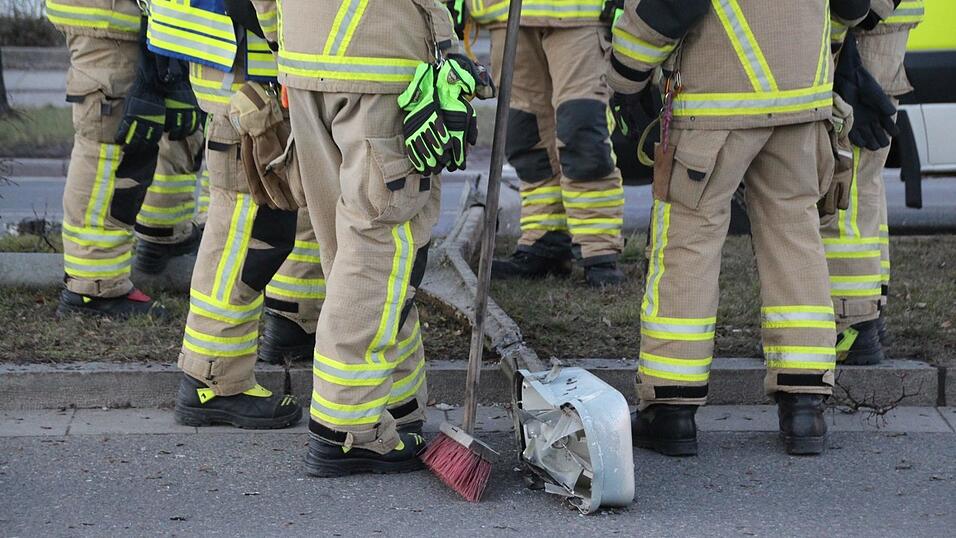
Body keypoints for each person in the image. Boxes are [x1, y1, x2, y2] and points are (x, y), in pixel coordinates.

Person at [608, 0, 873, 456]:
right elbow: (853, 7)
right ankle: (805, 406)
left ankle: (671, 409)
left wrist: (624, 77)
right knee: (796, 235)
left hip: (714, 106)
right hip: (802, 103)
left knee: (689, 241)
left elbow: (666, 10)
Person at [274, 0, 486, 475]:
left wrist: (283, 37)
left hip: (305, 61)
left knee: (348, 250)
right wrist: (445, 42)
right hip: (380, 57)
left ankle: (398, 401)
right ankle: (347, 427)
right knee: (379, 250)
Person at [144, 0, 326, 428]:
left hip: (233, 57)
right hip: (247, 63)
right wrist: (299, 39)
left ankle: (214, 373)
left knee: (250, 219)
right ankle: (214, 380)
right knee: (244, 227)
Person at [46, 0, 205, 319]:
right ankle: (94, 288)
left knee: (169, 120)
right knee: (109, 139)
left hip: (141, 13)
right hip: (112, 16)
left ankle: (164, 233)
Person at [466, 1, 628, 287]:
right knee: (525, 135)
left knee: (582, 132)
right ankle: (544, 239)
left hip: (582, 14)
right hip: (505, 12)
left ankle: (599, 251)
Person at [822, 0, 924, 365]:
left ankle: (848, 323)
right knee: (864, 172)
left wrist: (852, 17)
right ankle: (869, 309)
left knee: (844, 173)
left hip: (862, 23)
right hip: (871, 22)